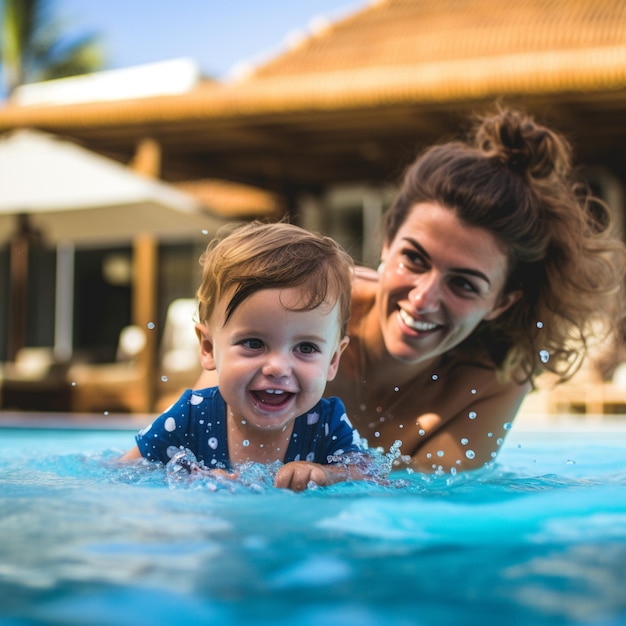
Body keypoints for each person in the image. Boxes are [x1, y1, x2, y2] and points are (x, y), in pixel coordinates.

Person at [196, 106, 626, 475]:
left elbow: (425, 507)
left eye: (463, 283)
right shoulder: (303, 307)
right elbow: (201, 440)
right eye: (414, 259)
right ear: (386, 243)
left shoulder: (493, 381)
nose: (423, 298)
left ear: (501, 302)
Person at [122, 221, 368, 491]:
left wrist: (325, 473)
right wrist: (190, 480)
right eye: (253, 343)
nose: (277, 367)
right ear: (207, 348)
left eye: (306, 348)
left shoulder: (325, 424)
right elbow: (121, 474)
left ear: (333, 360)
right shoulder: (191, 416)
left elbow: (369, 474)